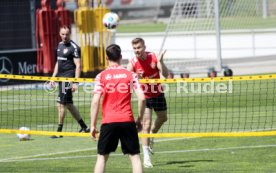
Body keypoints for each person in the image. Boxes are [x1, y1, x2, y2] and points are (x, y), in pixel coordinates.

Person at [90, 44, 145, 173]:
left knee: (102, 158)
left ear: (106, 57)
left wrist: (92, 125)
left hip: (108, 122)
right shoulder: (131, 75)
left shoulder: (100, 76)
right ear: (120, 57)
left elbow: (95, 102)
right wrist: (139, 119)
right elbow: (142, 98)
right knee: (135, 157)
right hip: (127, 120)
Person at [127, 38, 169, 168]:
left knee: (163, 118)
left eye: (139, 48)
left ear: (144, 47)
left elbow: (166, 75)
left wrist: (161, 61)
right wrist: (135, 78)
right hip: (145, 97)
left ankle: (151, 136)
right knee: (146, 125)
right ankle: (146, 158)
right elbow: (128, 80)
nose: (137, 51)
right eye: (134, 48)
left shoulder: (154, 57)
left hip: (158, 93)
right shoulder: (132, 63)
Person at [51, 26, 89, 138]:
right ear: (59, 34)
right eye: (62, 34)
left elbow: (78, 65)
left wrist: (75, 82)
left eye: (66, 34)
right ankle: (84, 127)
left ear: (70, 34)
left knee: (60, 104)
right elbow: (58, 63)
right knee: (69, 105)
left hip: (68, 79)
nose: (65, 36)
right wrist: (53, 77)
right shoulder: (59, 45)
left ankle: (59, 131)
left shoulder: (74, 47)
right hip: (60, 79)